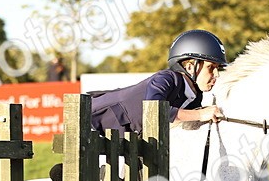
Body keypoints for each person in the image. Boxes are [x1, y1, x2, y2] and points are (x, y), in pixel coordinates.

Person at [89, 29, 227, 135]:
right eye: (211, 67)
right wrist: (199, 114)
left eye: (218, 68)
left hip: (122, 141)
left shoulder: (195, 96)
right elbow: (154, 110)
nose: (216, 74)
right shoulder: (166, 78)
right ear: (190, 67)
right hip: (93, 123)